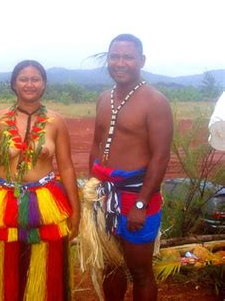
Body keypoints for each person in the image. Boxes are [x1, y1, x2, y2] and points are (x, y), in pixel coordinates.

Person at [0, 60, 80, 301]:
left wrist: (75, 210)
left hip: (45, 201)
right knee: (1, 264)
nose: (30, 84)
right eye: (23, 79)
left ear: (44, 84)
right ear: (14, 84)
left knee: (41, 266)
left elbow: (67, 167)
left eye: (35, 79)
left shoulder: (56, 121)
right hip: (2, 200)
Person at [84, 34, 173, 301]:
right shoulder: (104, 98)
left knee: (140, 271)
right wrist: (92, 188)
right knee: (111, 266)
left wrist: (140, 204)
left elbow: (160, 157)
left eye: (128, 57)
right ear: (108, 59)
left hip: (136, 197)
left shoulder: (155, 102)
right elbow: (96, 145)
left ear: (141, 61)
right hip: (104, 195)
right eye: (114, 56)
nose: (120, 63)